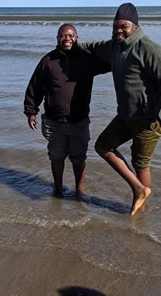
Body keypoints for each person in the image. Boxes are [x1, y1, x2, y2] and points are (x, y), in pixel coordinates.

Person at [82, 3, 161, 215]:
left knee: (141, 163)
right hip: (125, 117)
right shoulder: (114, 46)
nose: (118, 30)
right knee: (103, 146)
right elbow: (92, 47)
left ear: (134, 26)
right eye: (115, 26)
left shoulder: (149, 49)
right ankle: (139, 189)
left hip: (148, 120)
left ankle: (140, 210)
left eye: (123, 27)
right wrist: (71, 45)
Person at [24, 24, 110, 198]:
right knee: (56, 157)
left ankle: (79, 191)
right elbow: (35, 86)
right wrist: (31, 111)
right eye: (63, 35)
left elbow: (112, 63)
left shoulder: (87, 59)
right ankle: (58, 190)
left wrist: (124, 55)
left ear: (77, 38)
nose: (67, 39)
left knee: (79, 158)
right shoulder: (48, 61)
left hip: (79, 122)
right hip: (54, 122)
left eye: (71, 35)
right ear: (57, 38)